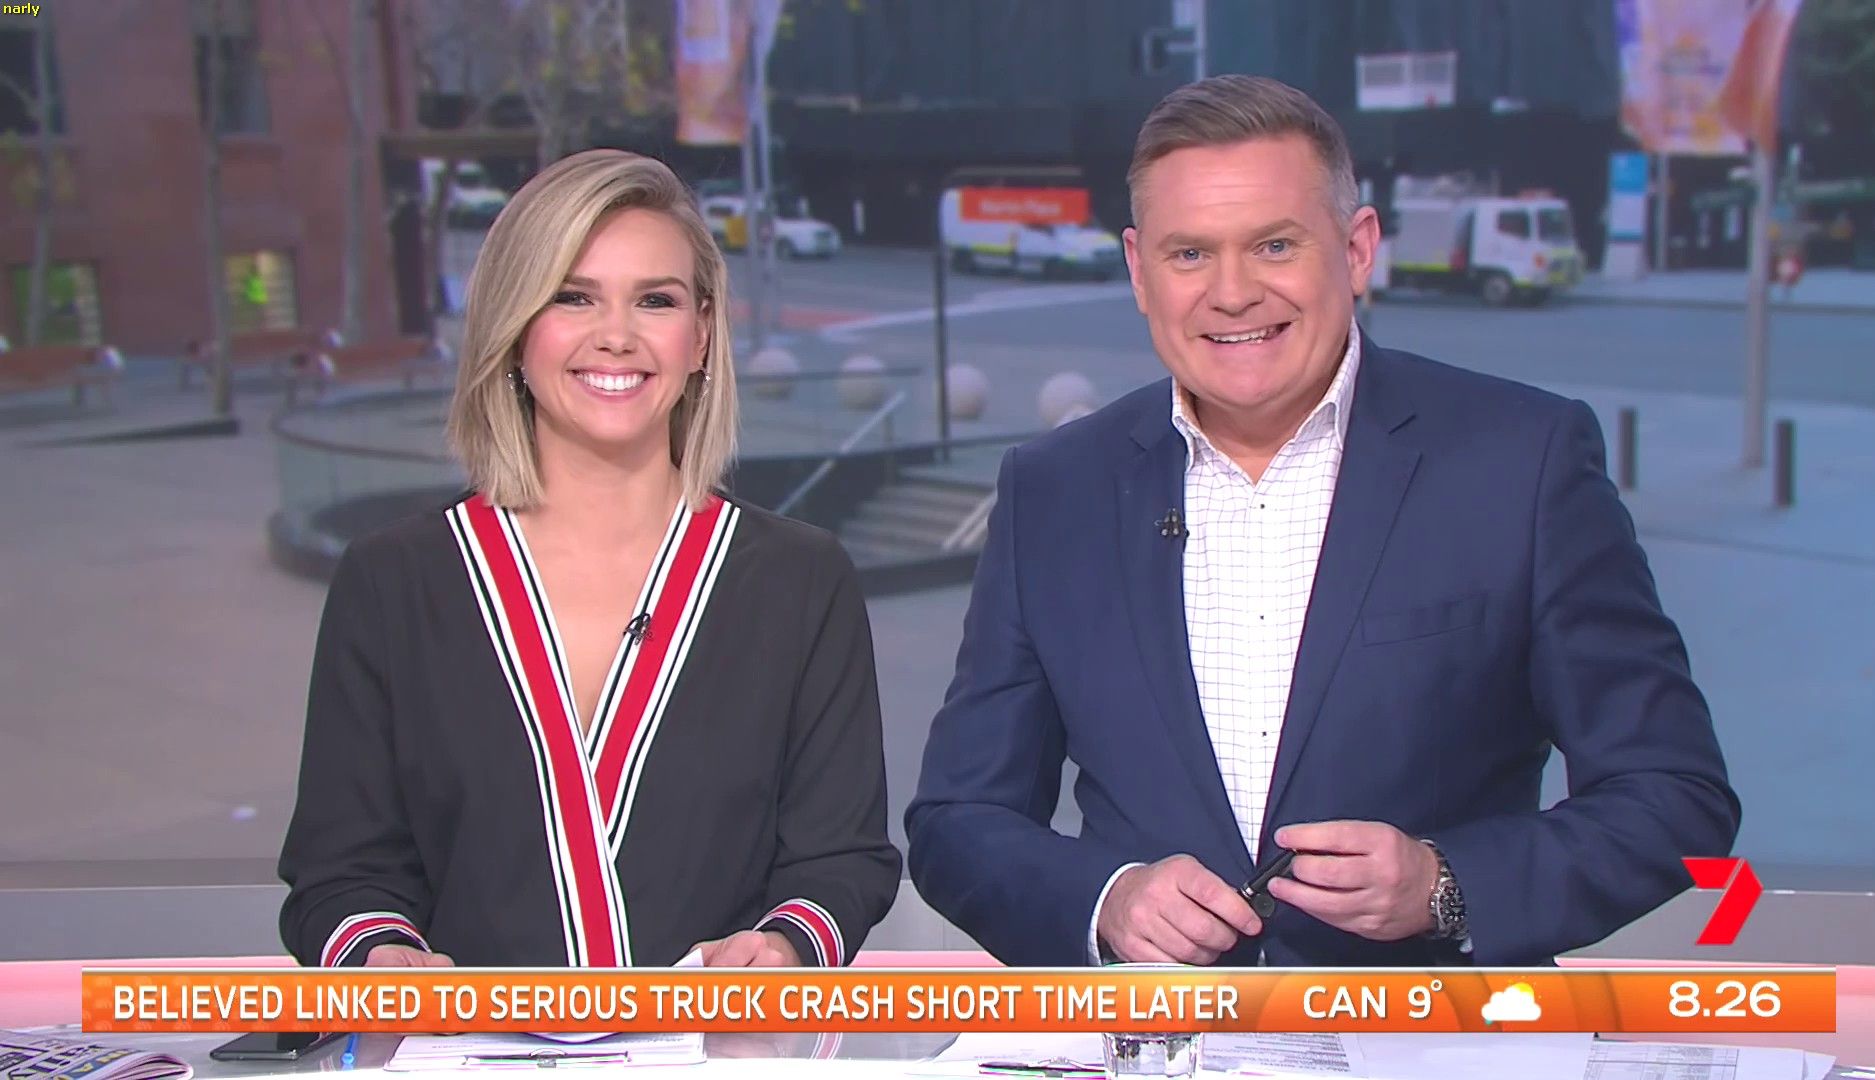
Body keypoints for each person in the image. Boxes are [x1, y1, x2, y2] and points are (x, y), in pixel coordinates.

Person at [906, 76, 1738, 968]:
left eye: (1274, 245)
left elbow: (1673, 796)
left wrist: (1446, 884)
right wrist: (1106, 901)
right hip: (1156, 1034)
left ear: (1357, 248)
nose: (1232, 293)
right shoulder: (1054, 491)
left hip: (1426, 1033)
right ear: (1139, 271)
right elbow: (959, 821)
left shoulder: (1522, 462)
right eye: (1190, 254)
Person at [278, 149, 899, 969]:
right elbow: (340, 872)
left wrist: (786, 944)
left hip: (717, 1037)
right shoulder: (394, 582)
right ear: (514, 329)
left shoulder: (800, 580)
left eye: (655, 300)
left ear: (700, 335)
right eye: (573, 297)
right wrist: (380, 953)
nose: (616, 336)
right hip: (464, 1037)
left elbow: (840, 857)